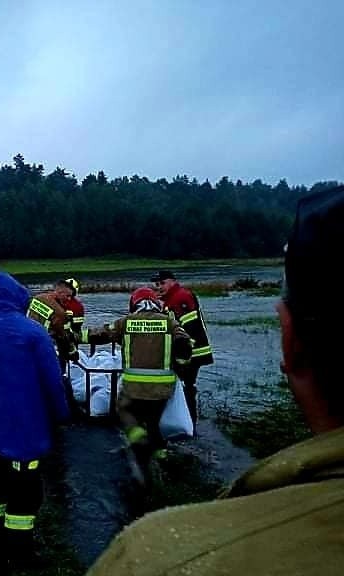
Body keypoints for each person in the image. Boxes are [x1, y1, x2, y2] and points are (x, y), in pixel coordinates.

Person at [86, 185, 344, 576]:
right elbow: (185, 341)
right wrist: (181, 362)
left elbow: (103, 335)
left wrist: (76, 341)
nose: (158, 288)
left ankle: (140, 445)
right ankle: (155, 446)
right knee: (164, 416)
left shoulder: (145, 555)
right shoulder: (168, 316)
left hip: (137, 390)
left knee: (128, 412)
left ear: (290, 344)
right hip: (165, 386)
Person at [0, 271, 70, 568]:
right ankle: (19, 552)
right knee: (25, 492)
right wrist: (61, 415)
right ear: (19, 298)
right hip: (26, 426)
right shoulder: (33, 333)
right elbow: (52, 383)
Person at [85, 287, 192, 472]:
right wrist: (181, 366)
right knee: (153, 421)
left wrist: (73, 337)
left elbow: (100, 334)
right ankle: (161, 456)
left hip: (133, 388)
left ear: (134, 304)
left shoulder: (126, 322)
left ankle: (138, 440)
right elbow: (184, 346)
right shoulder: (169, 323)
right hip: (162, 389)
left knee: (125, 410)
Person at [151, 269, 213, 430]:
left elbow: (189, 330)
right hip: (185, 352)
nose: (159, 287)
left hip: (192, 353)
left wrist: (181, 358)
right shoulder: (171, 299)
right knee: (185, 386)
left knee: (187, 387)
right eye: (157, 284)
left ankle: (189, 423)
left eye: (162, 283)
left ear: (172, 281)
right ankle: (185, 421)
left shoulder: (180, 297)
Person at [63, 277, 85, 352]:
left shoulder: (57, 301)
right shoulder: (79, 306)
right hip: (72, 337)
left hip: (61, 337)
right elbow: (78, 326)